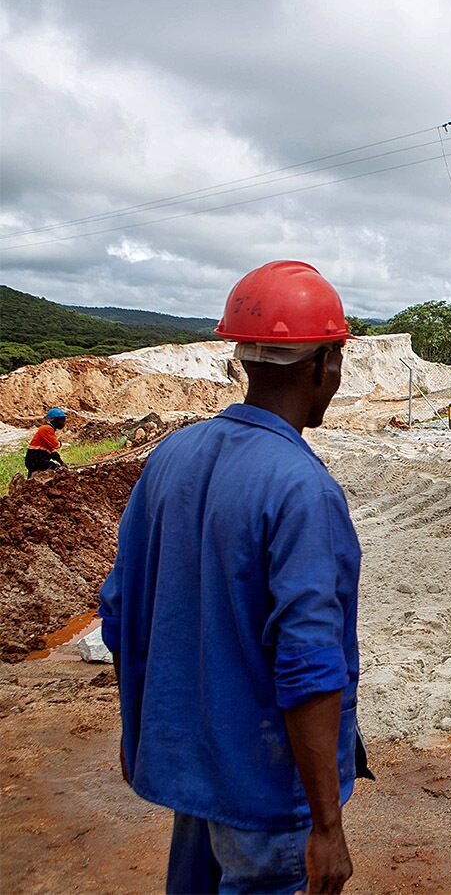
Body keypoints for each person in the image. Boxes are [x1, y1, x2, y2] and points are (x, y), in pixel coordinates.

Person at [99, 261, 370, 895]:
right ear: (327, 364)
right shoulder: (304, 490)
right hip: (264, 794)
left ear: (244, 359)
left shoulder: (170, 457)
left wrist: (136, 730)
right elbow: (309, 664)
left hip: (194, 771)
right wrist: (327, 826)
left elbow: (119, 612)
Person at [25, 407, 68, 477]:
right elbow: (55, 444)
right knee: (58, 471)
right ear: (54, 420)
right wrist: (60, 443)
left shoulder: (49, 430)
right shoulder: (46, 429)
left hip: (36, 460)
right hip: (36, 459)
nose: (63, 423)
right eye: (62, 420)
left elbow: (53, 452)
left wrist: (62, 463)